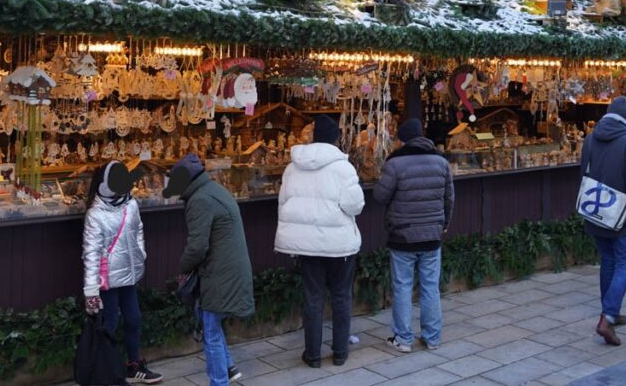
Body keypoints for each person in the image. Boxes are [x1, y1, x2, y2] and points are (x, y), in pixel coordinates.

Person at [274, 116, 364, 368]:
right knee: (341, 296)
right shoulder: (343, 167)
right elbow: (355, 205)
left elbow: (283, 203)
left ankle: (312, 355)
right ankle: (340, 352)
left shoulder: (292, 168)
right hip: (339, 244)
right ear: (336, 138)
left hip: (307, 245)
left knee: (313, 297)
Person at [164, 154, 253, 386]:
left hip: (219, 273)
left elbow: (197, 246)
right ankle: (230, 368)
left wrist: (182, 269)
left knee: (211, 331)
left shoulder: (199, 200)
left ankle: (219, 381)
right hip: (229, 268)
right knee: (212, 322)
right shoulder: (213, 189)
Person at [373, 118, 453, 353]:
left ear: (401, 139)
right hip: (431, 235)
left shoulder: (395, 163)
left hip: (402, 235)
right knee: (430, 287)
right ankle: (432, 338)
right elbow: (449, 198)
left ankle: (403, 339)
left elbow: (380, 196)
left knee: (402, 286)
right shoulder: (441, 161)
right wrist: (444, 224)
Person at [82, 161, 163, 385]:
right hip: (107, 279)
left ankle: (133, 365)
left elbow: (138, 230)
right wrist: (90, 291)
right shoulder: (95, 214)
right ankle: (109, 371)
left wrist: (140, 254)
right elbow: (90, 254)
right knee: (109, 324)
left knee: (134, 318)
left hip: (128, 273)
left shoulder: (131, 205)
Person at [580, 96, 626, 346]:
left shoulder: (590, 139)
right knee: (623, 264)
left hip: (596, 211)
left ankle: (610, 311)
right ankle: (607, 317)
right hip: (622, 215)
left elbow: (583, 175)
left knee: (607, 261)